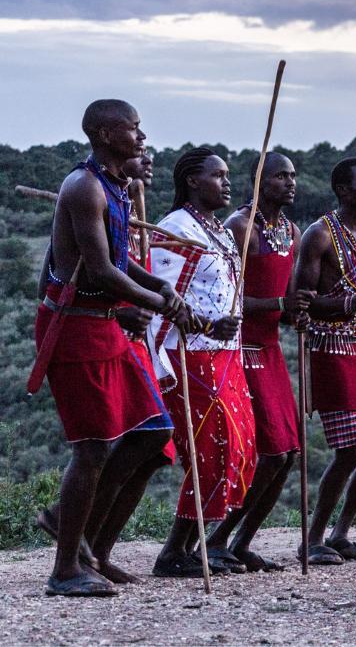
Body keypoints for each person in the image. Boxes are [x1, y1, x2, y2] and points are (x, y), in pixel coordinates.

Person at [32, 101, 186, 595]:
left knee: (151, 431)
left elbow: (120, 262)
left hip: (104, 328)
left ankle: (74, 530)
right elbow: (99, 271)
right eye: (133, 127)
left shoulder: (116, 186)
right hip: (76, 326)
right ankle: (64, 570)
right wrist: (159, 303)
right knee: (93, 446)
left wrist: (162, 290)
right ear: (103, 132)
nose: (142, 136)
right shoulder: (84, 187)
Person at [148, 147, 254, 577]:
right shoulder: (176, 228)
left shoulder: (221, 231)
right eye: (217, 175)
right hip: (189, 353)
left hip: (225, 355)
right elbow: (161, 298)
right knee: (210, 449)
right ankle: (172, 552)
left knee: (239, 449)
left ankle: (192, 547)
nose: (227, 183)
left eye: (228, 175)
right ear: (193, 180)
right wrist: (209, 326)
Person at [205, 152, 311, 572]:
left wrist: (298, 310)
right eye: (280, 176)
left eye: (293, 176)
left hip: (271, 351)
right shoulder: (239, 227)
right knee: (268, 452)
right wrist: (280, 303)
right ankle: (215, 539)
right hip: (242, 351)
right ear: (259, 181)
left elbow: (285, 305)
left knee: (288, 453)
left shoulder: (292, 231)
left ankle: (241, 541)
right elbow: (228, 300)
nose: (289, 183)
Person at [294, 158, 356, 564]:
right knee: (350, 451)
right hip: (331, 348)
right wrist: (353, 301)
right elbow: (302, 303)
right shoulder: (319, 235)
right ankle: (311, 539)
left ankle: (341, 533)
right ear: (342, 190)